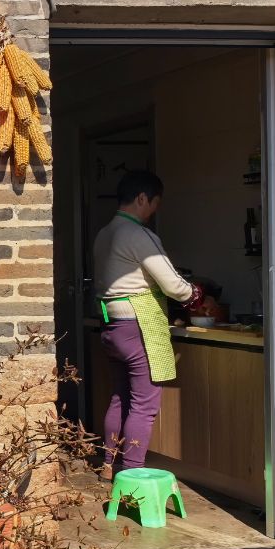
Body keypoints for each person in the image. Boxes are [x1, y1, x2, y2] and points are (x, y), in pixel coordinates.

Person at [93, 171, 203, 478]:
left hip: (112, 326)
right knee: (144, 405)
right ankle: (132, 475)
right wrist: (194, 294)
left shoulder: (104, 234)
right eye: (155, 203)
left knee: (120, 397)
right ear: (143, 198)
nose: (154, 210)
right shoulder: (138, 235)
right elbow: (173, 285)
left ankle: (109, 465)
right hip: (138, 325)